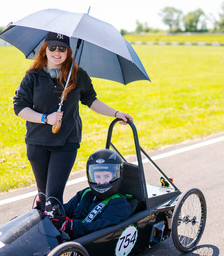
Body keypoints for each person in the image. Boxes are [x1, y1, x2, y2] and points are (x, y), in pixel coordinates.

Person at [13, 32, 133, 204]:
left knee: (53, 196)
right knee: (43, 196)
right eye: (52, 47)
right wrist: (46, 118)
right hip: (37, 142)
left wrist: (116, 113)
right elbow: (20, 108)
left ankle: (57, 227)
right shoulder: (33, 76)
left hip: (66, 143)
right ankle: (45, 225)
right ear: (45, 49)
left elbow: (91, 101)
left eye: (62, 49)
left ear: (68, 51)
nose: (57, 52)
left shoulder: (77, 75)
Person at [51, 149, 134, 239]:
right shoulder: (86, 193)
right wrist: (52, 214)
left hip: (86, 241)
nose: (102, 182)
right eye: (98, 177)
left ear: (116, 175)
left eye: (106, 176)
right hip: (69, 235)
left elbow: (101, 227)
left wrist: (71, 226)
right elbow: (67, 209)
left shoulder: (119, 203)